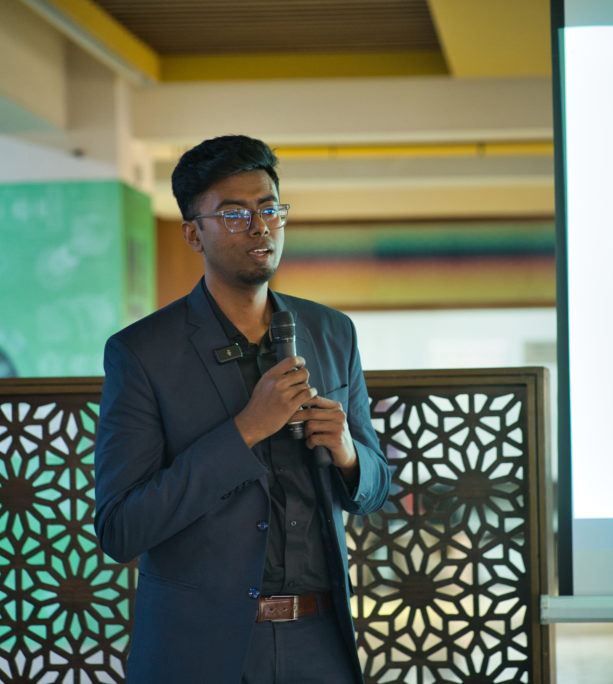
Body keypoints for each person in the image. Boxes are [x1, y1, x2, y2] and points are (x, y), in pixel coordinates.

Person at [93, 134, 391, 683]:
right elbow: (121, 528)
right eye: (234, 214)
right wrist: (244, 431)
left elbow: (375, 489)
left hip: (318, 641)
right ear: (193, 233)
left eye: (270, 209)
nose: (260, 227)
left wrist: (349, 454)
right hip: (198, 650)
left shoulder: (332, 331)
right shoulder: (141, 353)